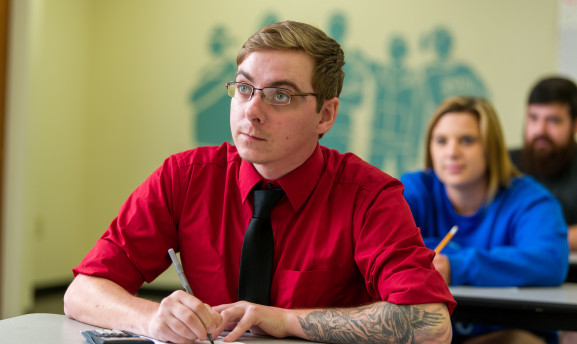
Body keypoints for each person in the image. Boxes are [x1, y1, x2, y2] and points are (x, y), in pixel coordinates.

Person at [63, 21, 455, 344]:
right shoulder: (185, 176)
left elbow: (431, 324)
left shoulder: (369, 195)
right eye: (245, 88)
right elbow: (83, 291)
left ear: (325, 115)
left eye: (280, 95)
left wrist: (283, 320)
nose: (251, 111)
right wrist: (151, 318)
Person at [400, 96, 568, 343]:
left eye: (467, 140)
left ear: (491, 148)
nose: (452, 152)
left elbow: (550, 261)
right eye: (441, 141)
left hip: (506, 333)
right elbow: (382, 246)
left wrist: (455, 266)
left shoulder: (531, 200)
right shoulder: (414, 189)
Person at [509, 76, 577, 251]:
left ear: (574, 125)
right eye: (533, 118)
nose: (540, 130)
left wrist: (537, 239)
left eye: (553, 120)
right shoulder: (505, 164)